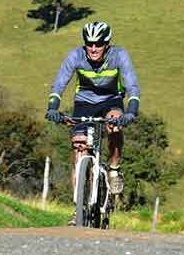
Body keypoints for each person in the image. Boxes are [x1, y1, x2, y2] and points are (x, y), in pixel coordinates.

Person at [45, 21, 141, 224]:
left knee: (114, 124)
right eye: (89, 44)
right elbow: (60, 82)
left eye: (98, 43)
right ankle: (78, 208)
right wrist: (53, 107)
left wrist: (131, 110)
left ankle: (114, 169)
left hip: (111, 100)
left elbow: (132, 84)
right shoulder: (76, 56)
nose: (93, 48)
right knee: (79, 145)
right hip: (85, 102)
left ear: (107, 44)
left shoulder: (119, 55)